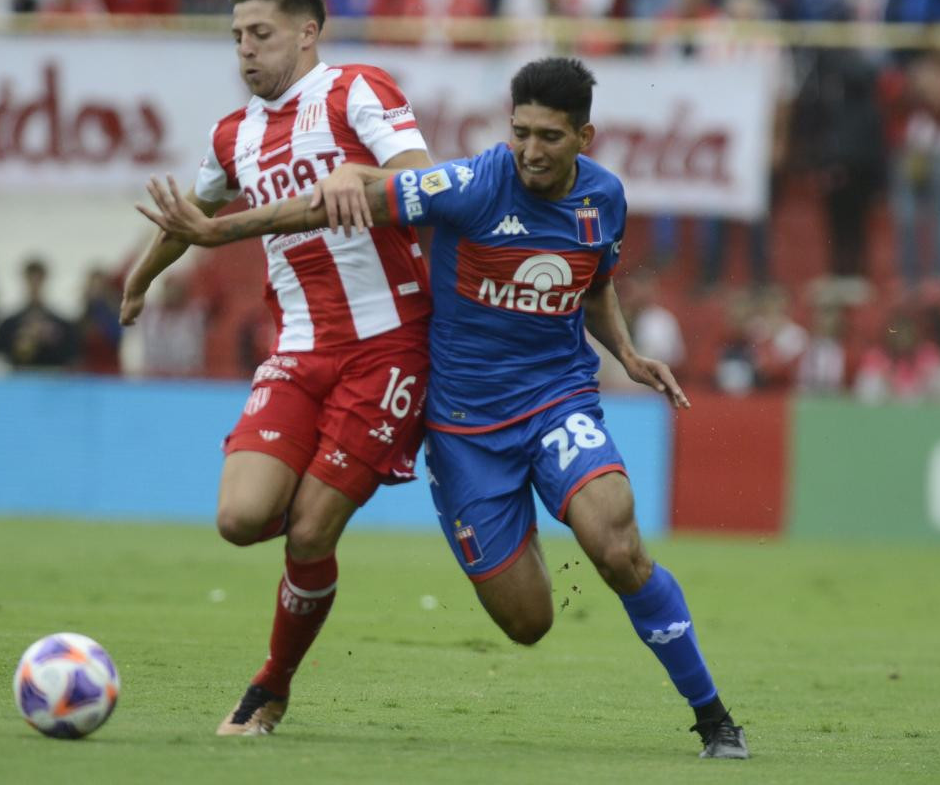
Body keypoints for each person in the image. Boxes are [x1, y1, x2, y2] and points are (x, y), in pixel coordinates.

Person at [139, 57, 750, 760]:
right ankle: (528, 518)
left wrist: (628, 353)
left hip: (557, 402)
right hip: (464, 433)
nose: (529, 151)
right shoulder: (471, 185)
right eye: (520, 132)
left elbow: (593, 281)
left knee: (615, 546)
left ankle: (713, 718)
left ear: (585, 137)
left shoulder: (604, 199)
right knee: (528, 623)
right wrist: (224, 229)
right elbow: (347, 202)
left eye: (549, 137)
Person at [120, 0, 434, 736]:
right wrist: (137, 282)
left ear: (306, 32)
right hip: (297, 350)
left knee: (309, 532)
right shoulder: (233, 134)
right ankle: (320, 490)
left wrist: (367, 180)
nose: (245, 52)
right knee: (239, 519)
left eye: (260, 35)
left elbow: (425, 183)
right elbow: (195, 215)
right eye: (236, 37)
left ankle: (270, 688)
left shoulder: (359, 91)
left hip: (388, 347)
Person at [0, 258, 78, 370]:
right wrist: (19, 339)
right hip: (18, 380)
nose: (34, 285)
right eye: (31, 279)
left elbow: (72, 355)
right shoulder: (10, 323)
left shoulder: (61, 324)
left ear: (44, 280)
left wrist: (50, 338)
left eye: (38, 279)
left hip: (51, 380)